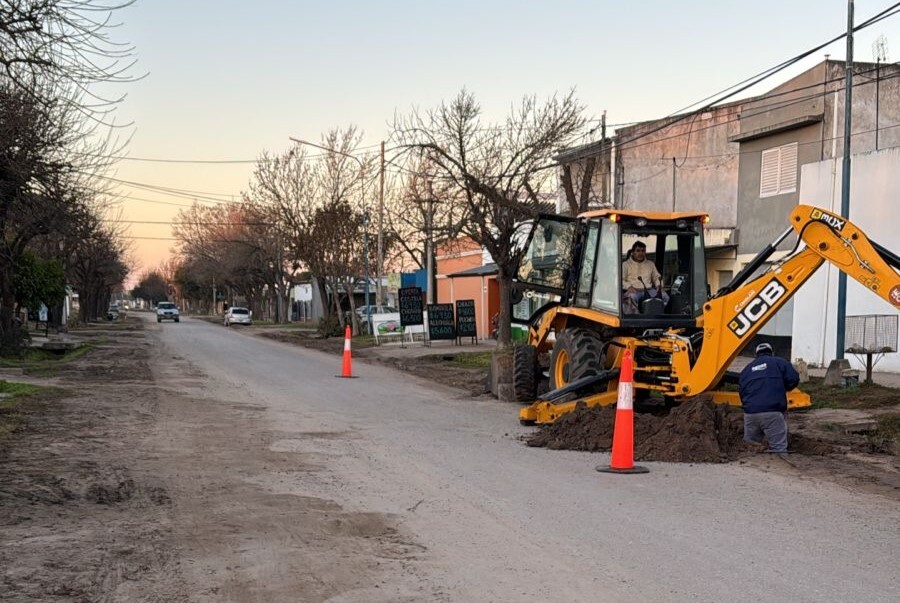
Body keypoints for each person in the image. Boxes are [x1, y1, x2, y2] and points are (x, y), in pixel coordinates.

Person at [738, 342, 800, 453]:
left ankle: (748, 469)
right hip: (772, 413)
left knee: (750, 447)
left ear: (755, 354)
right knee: (779, 449)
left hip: (750, 414)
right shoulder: (779, 362)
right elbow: (793, 379)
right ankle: (780, 468)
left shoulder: (747, 369)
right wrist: (782, 388)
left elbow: (742, 392)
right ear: (772, 352)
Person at [622, 241, 668, 313]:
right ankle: (635, 320)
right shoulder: (625, 265)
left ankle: (657, 315)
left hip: (649, 290)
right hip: (633, 290)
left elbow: (657, 277)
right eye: (638, 251)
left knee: (665, 296)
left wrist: (659, 285)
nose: (640, 253)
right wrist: (628, 287)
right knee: (630, 298)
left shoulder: (650, 264)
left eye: (643, 251)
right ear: (633, 252)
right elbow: (620, 280)